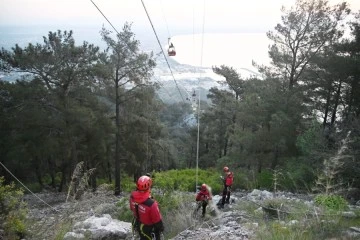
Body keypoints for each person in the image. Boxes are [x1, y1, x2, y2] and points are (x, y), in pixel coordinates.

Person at [130, 175, 164, 240]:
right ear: (149, 186)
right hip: (149, 229)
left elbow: (132, 208)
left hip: (138, 224)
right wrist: (161, 229)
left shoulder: (132, 197)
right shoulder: (151, 204)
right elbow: (157, 221)